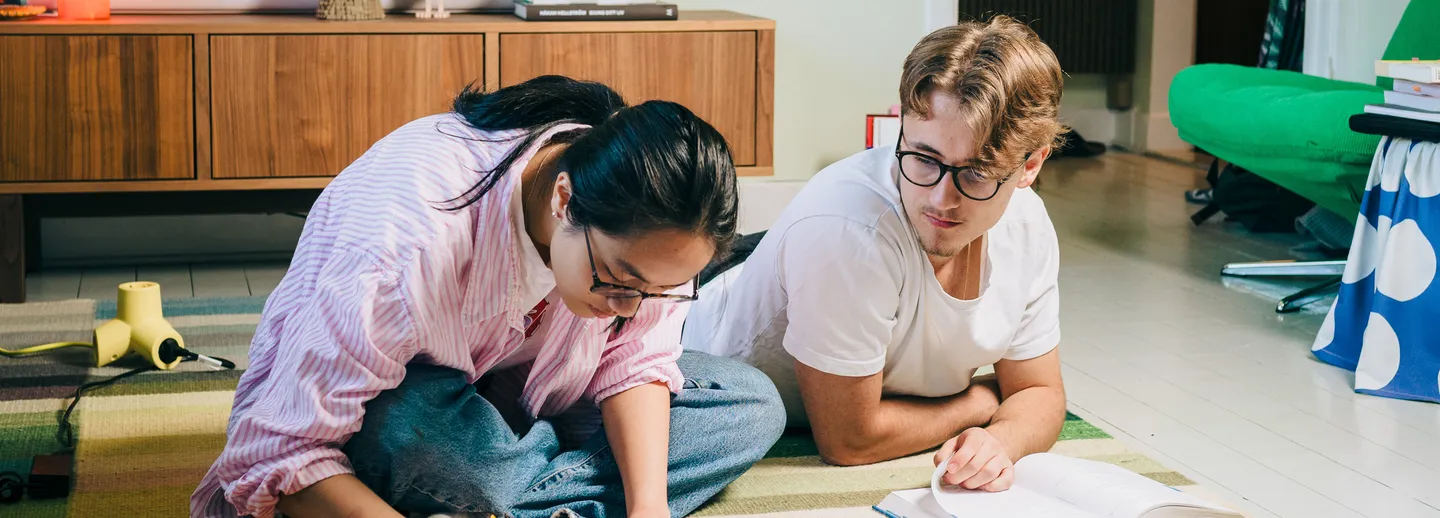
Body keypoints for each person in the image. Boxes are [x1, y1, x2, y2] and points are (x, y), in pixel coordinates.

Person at [192, 75, 786, 518]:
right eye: (616, 281)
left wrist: (648, 510)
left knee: (752, 406)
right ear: (562, 199)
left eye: (659, 292)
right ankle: (514, 489)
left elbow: (637, 361)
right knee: (405, 433)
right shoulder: (405, 245)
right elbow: (272, 451)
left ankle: (508, 489)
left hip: (524, 405)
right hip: (415, 404)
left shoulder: (648, 236)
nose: (629, 309)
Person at [682, 16, 1067, 493]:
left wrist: (1002, 441)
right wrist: (980, 402)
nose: (941, 199)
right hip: (700, 334)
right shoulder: (848, 232)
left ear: (1031, 165)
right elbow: (849, 442)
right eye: (923, 158)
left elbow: (1040, 391)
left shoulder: (1026, 224)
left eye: (976, 173)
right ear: (901, 129)